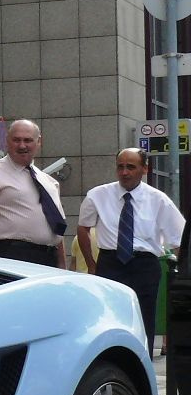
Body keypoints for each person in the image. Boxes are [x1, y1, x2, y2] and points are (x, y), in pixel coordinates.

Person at [78, 147, 185, 354]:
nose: (124, 172)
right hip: (110, 263)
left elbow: (178, 239)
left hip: (144, 265)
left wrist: (184, 275)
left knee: (144, 318)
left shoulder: (158, 200)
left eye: (131, 167)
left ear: (144, 169)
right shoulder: (98, 195)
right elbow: (83, 227)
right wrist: (92, 265)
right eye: (120, 167)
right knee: (109, 316)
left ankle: (142, 362)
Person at [0, 118, 68, 269]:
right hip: (12, 255)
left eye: (28, 140)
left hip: (48, 258)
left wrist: (62, 265)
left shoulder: (48, 181)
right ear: (7, 140)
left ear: (39, 142)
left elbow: (56, 225)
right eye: (16, 140)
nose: (22, 145)